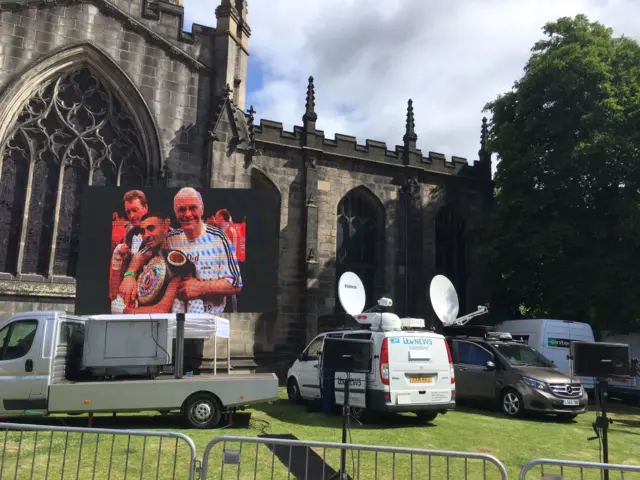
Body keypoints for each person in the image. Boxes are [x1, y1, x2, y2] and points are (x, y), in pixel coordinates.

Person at [119, 187, 242, 314]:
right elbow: (142, 254)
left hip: (211, 318)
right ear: (175, 212)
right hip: (177, 317)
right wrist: (129, 276)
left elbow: (236, 284)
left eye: (192, 208)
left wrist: (200, 288)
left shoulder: (218, 238)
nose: (187, 214)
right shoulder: (170, 238)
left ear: (202, 209)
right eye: (182, 209)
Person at [111, 212, 191, 314]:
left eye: (151, 228)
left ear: (165, 227)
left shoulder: (175, 258)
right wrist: (118, 263)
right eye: (143, 231)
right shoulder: (140, 260)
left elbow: (162, 310)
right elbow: (116, 298)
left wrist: (125, 311)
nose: (146, 235)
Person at [109, 190, 149, 300]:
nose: (132, 216)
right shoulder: (129, 236)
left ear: (145, 208)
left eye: (135, 210)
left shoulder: (159, 232)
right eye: (128, 212)